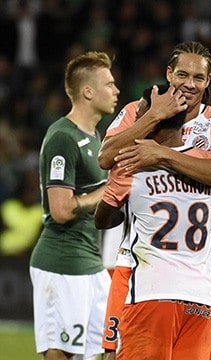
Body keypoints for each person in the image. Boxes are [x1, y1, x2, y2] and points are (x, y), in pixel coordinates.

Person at [96, 83, 211, 360]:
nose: (137, 115)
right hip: (200, 298)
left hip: (150, 292)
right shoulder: (209, 165)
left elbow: (103, 218)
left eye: (143, 112)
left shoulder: (132, 166)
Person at [30, 51, 120, 360]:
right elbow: (62, 209)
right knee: (63, 354)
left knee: (113, 347)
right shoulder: (62, 138)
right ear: (88, 91)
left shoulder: (94, 136)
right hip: (62, 264)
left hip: (91, 264)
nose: (116, 90)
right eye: (109, 84)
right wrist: (108, 190)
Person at [98, 40, 211, 190]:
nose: (190, 84)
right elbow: (105, 158)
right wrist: (153, 115)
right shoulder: (138, 109)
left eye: (198, 78)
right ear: (169, 74)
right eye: (182, 75)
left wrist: (163, 154)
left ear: (208, 81)